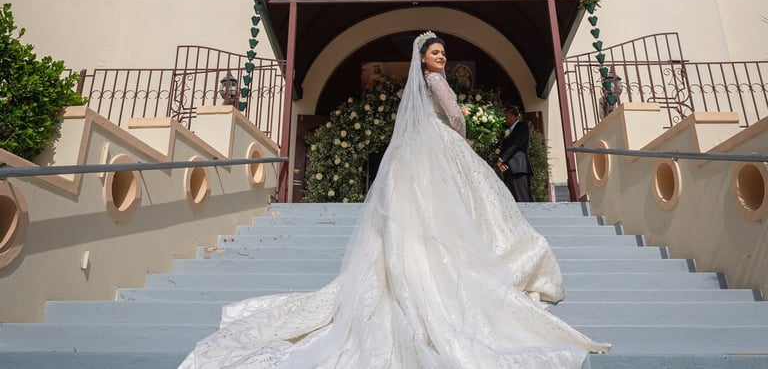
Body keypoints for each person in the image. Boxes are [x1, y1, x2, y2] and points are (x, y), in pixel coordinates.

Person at [179, 32, 609, 368]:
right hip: (442, 143)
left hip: (422, 149)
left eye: (444, 53)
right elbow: (455, 116)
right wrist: (461, 133)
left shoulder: (417, 88)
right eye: (436, 52)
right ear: (423, 58)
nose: (442, 57)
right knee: (461, 205)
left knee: (424, 207)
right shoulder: (437, 82)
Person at [497, 104, 533, 203]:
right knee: (512, 199)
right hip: (509, 169)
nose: (505, 119)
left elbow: (515, 144)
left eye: (506, 116)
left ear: (511, 115)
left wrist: (501, 159)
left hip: (518, 168)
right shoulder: (508, 130)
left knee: (523, 197)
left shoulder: (522, 126)